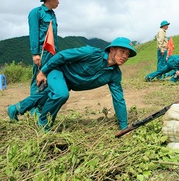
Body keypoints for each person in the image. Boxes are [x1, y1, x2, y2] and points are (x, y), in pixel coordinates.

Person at [7, 37, 137, 131]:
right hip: (58, 71)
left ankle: (16, 108)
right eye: (122, 51)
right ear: (112, 50)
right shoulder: (91, 53)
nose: (125, 56)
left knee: (45, 96)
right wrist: (43, 71)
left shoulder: (114, 74)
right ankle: (43, 125)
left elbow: (118, 99)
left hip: (68, 83)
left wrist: (124, 126)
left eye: (127, 54)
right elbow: (62, 56)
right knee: (61, 94)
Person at [28, 0, 63, 114]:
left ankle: (42, 108)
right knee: (37, 80)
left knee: (48, 81)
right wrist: (35, 54)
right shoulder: (36, 12)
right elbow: (34, 33)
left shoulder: (52, 14)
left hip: (53, 52)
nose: (58, 2)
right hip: (42, 52)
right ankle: (33, 111)